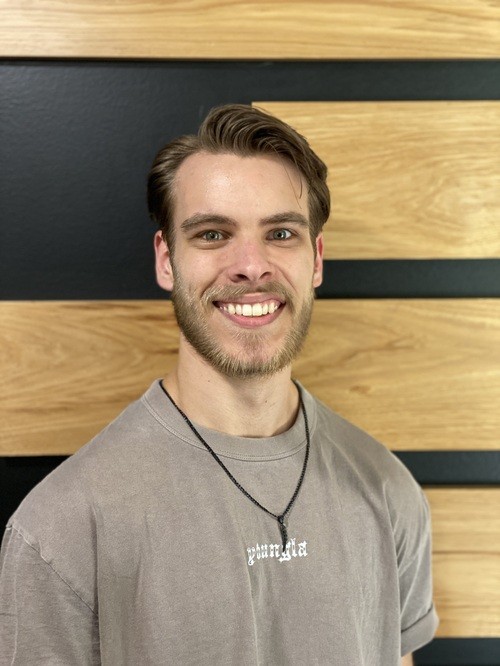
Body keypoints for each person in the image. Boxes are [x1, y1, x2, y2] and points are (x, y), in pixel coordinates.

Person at [0, 104, 438, 665]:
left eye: (281, 233)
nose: (251, 265)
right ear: (167, 261)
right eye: (213, 234)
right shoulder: (59, 530)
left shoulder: (388, 490)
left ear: (316, 259)